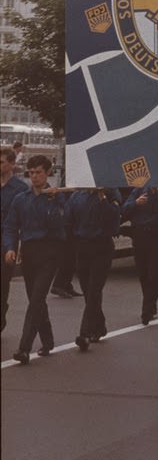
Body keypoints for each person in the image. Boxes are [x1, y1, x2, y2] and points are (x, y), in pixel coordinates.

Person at [2, 155, 66, 363]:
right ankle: (47, 339)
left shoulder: (57, 197)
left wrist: (55, 201)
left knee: (37, 298)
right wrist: (10, 248)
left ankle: (24, 348)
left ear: (48, 173)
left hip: (50, 251)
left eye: (39, 172)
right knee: (34, 300)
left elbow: (61, 226)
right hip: (29, 253)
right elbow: (11, 226)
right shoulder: (21, 198)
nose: (35, 176)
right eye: (31, 173)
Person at [66, 187, 122, 349]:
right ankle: (99, 326)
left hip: (102, 246)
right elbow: (68, 220)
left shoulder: (112, 193)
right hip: (83, 246)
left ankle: (84, 333)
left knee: (94, 290)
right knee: (87, 290)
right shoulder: (77, 196)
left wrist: (102, 198)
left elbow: (113, 217)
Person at [121, 183, 158, 325]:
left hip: (157, 235)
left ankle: (146, 308)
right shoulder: (138, 190)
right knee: (143, 273)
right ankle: (150, 304)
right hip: (140, 235)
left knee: (154, 273)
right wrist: (136, 203)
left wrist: (157, 191)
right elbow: (125, 210)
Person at [1, 146, 29, 332]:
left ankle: (1, 312)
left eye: (1, 162)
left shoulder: (20, 188)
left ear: (11, 164)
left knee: (2, 283)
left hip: (6, 241)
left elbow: (22, 219)